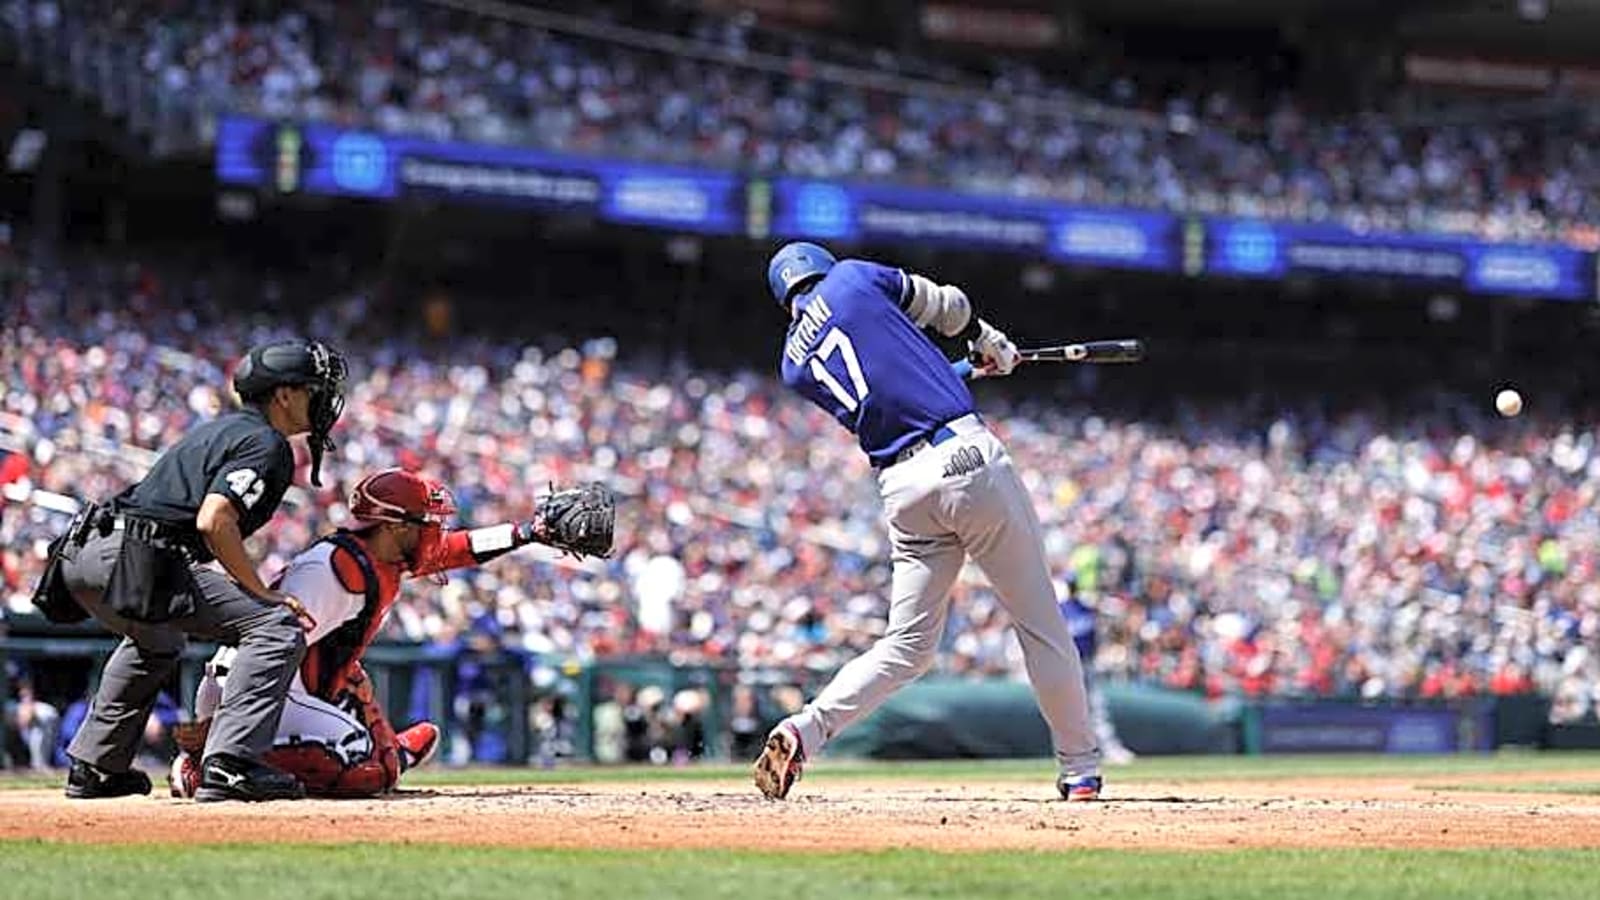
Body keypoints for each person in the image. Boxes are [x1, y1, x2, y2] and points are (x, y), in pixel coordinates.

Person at [751, 242, 1102, 801]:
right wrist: (987, 341)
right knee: (1040, 623)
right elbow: (950, 306)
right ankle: (1079, 766)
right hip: (963, 458)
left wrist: (960, 371)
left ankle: (805, 729)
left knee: (906, 646)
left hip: (903, 488)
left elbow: (886, 385)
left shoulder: (793, 361)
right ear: (822, 265)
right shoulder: (853, 277)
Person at [168, 468, 615, 797]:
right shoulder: (337, 568)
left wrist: (526, 533)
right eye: (428, 522)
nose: (436, 531)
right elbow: (263, 641)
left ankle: (378, 754)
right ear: (396, 526)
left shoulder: (377, 555)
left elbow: (456, 549)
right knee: (368, 774)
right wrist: (225, 721)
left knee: (355, 686)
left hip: (281, 683)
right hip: (252, 687)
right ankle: (216, 763)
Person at [30, 338, 347, 802]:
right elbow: (214, 519)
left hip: (85, 553)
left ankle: (98, 767)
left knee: (157, 640)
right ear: (284, 395)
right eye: (312, 389)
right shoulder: (266, 443)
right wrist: (261, 591)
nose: (320, 399)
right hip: (136, 555)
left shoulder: (220, 429)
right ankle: (233, 763)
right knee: (276, 625)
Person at [1057, 576, 1136, 765]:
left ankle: (1109, 750)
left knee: (1097, 709)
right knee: (1066, 712)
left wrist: (1102, 604)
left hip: (1087, 664)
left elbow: (1118, 615)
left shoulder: (1088, 607)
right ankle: (1070, 755)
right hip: (1066, 666)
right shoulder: (1062, 609)